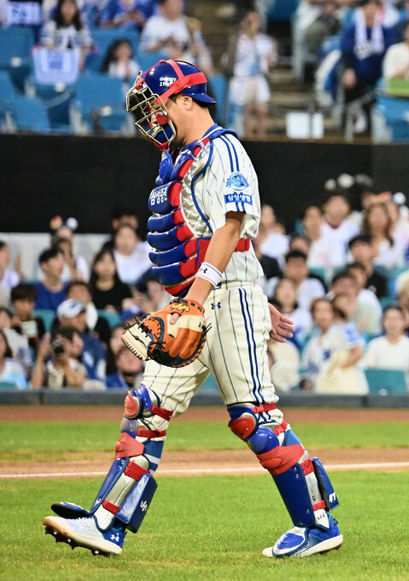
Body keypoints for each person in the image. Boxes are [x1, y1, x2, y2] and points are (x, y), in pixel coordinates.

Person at [43, 59, 343, 559]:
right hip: (199, 299)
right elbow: (210, 239)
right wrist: (219, 297)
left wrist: (222, 297)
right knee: (145, 408)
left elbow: (232, 224)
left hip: (211, 298)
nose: (153, 118)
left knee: (256, 416)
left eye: (158, 105)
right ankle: (107, 521)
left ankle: (317, 524)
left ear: (186, 99)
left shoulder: (222, 148)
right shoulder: (179, 156)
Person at [226, 10, 277, 139]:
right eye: (250, 22)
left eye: (255, 21)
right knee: (247, 110)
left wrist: (270, 55)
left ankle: (262, 137)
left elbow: (270, 60)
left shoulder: (263, 40)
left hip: (258, 77)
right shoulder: (238, 40)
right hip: (243, 79)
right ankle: (248, 138)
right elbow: (233, 58)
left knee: (262, 110)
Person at [301, 298, 367, 394]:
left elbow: (358, 352)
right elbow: (309, 370)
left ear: (333, 313)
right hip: (323, 391)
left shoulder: (345, 329)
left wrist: (337, 369)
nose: (323, 314)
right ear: (313, 315)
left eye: (327, 310)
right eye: (318, 310)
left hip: (349, 388)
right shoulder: (312, 343)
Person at [140, 0, 211, 69]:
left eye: (180, 2)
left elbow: (199, 49)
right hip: (161, 64)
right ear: (163, 6)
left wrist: (192, 38)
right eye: (174, 2)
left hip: (187, 62)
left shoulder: (189, 23)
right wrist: (164, 43)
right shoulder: (153, 23)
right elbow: (144, 49)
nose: (178, 5)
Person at [362, 305, 409, 378]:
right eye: (389, 319)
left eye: (396, 319)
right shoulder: (375, 344)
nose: (392, 323)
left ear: (404, 322)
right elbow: (368, 368)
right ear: (383, 322)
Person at [34, 247, 68, 312]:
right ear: (44, 265)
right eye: (56, 259)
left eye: (62, 260)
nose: (61, 264)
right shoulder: (35, 290)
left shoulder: (68, 289)